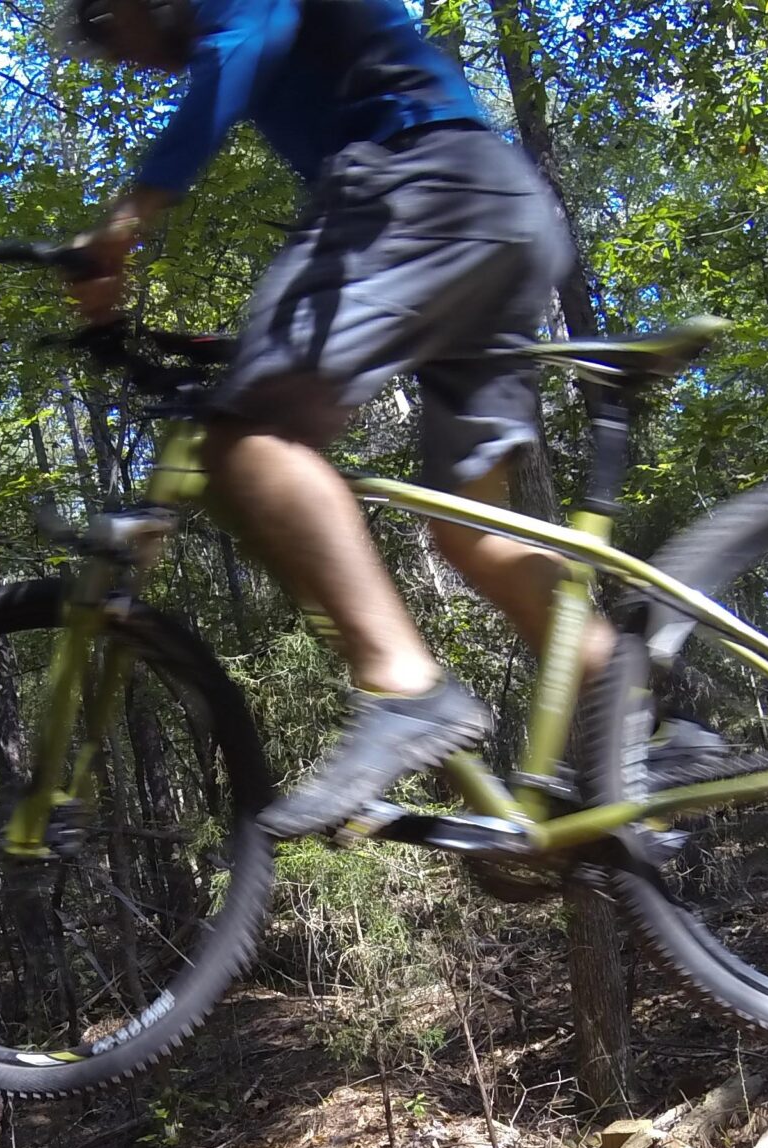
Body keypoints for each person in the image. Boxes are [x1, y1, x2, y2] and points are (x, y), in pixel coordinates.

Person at [68, 0, 619, 836]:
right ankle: (637, 718)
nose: (130, 61)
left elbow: (239, 51)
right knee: (473, 533)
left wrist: (121, 227)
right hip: (497, 211)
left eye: (113, 33)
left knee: (247, 438)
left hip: (421, 183)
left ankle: (406, 687)